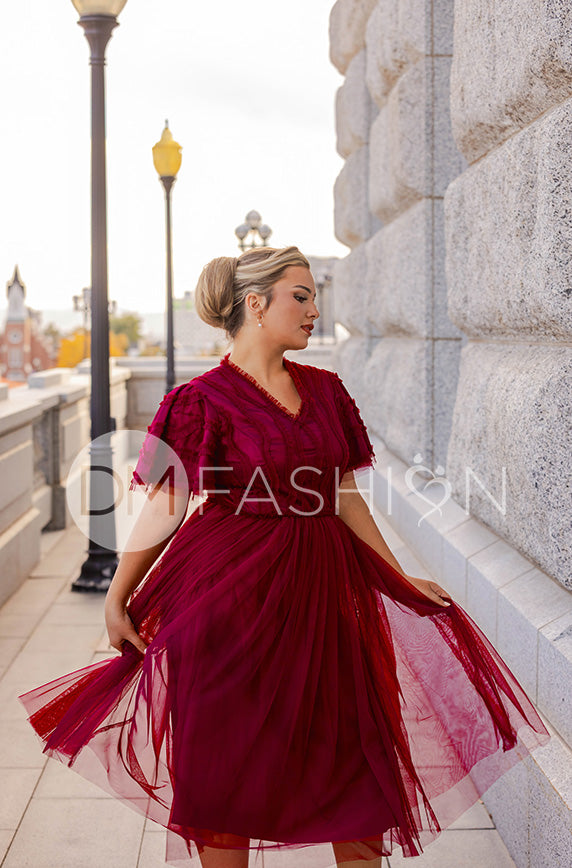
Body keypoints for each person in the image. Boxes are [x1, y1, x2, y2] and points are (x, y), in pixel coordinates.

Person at [19, 246, 549, 868]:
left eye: (313, 298)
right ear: (255, 304)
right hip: (226, 596)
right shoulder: (200, 400)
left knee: (356, 765)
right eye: (301, 296)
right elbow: (168, 503)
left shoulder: (327, 392)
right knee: (226, 775)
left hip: (326, 592)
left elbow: (343, 494)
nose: (314, 311)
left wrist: (394, 575)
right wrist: (118, 596)